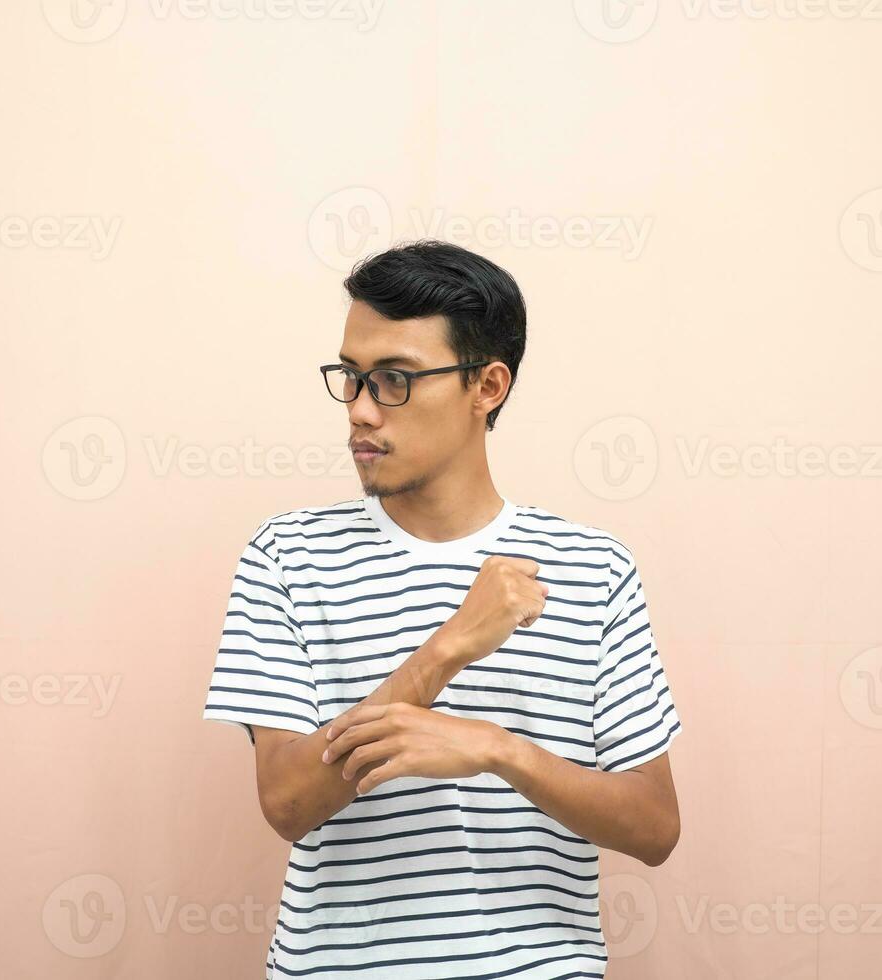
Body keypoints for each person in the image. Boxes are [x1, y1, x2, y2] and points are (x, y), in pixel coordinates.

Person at [202, 240, 682, 979]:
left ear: (487, 385)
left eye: (394, 379)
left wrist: (498, 748)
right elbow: (289, 803)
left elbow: (654, 827)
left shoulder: (594, 568)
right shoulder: (286, 556)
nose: (360, 411)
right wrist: (448, 649)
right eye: (351, 378)